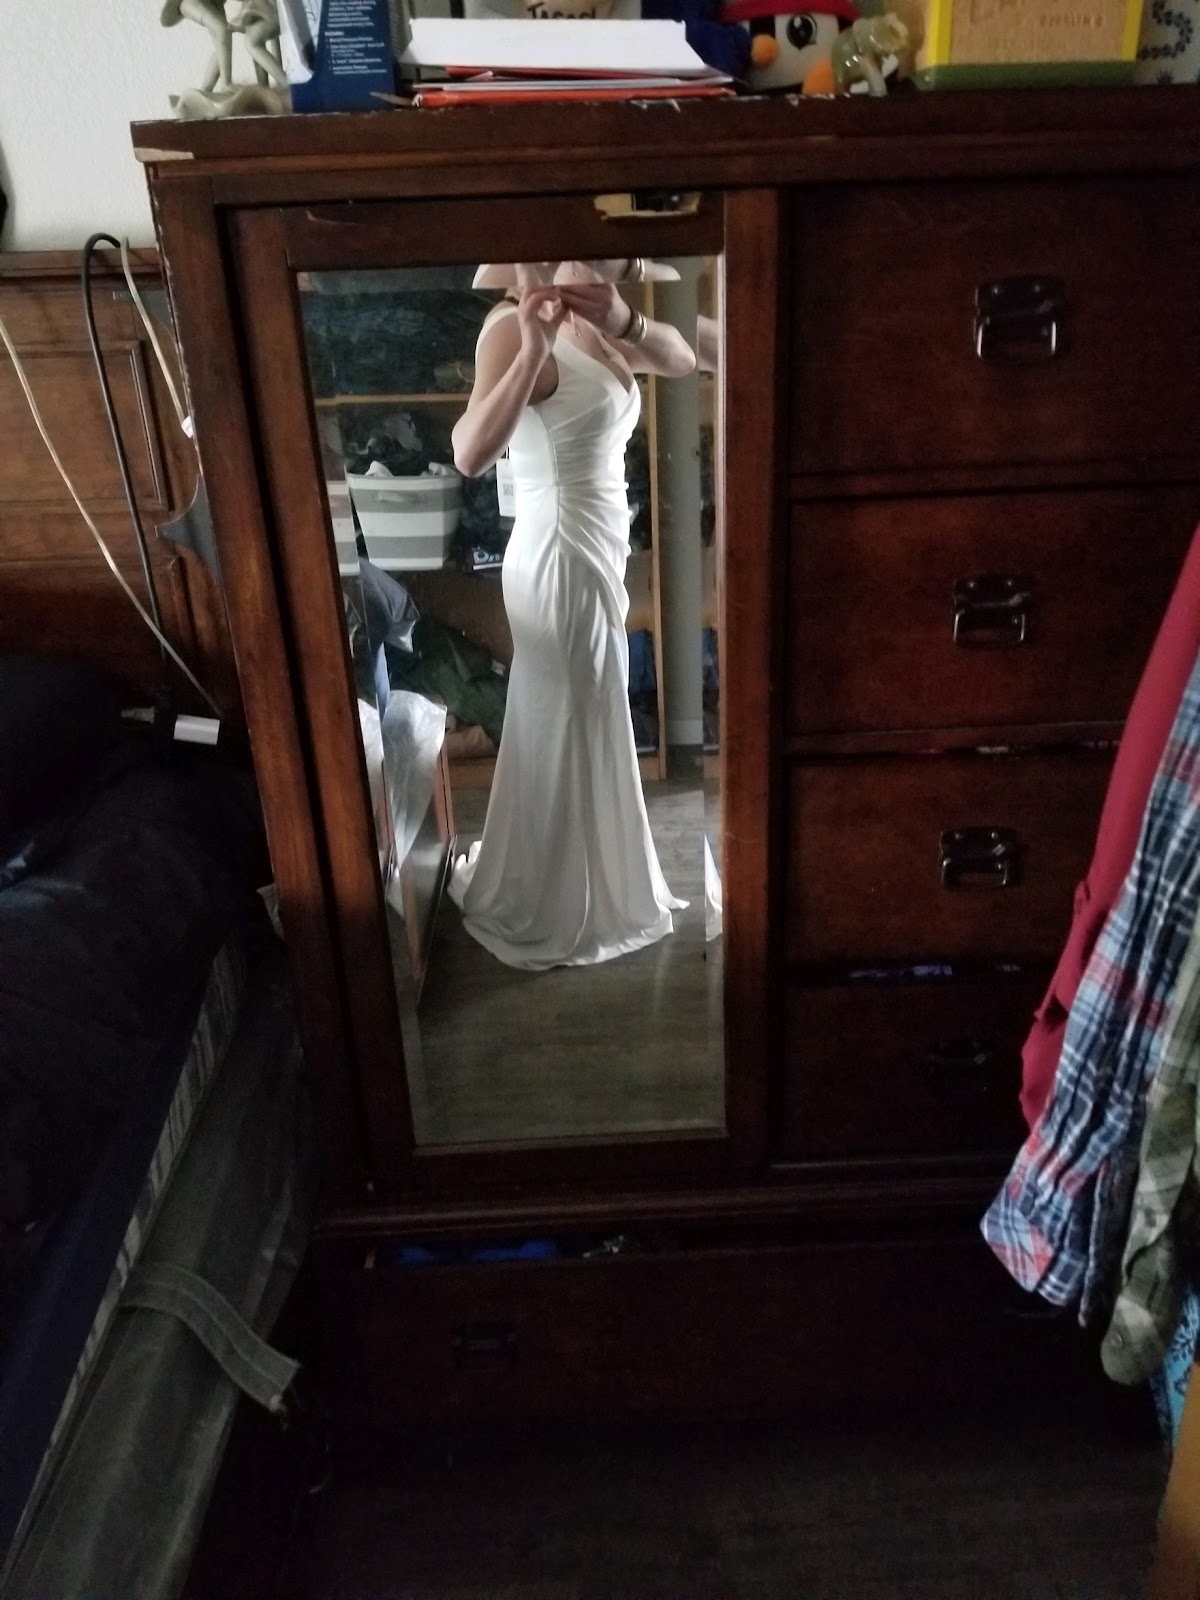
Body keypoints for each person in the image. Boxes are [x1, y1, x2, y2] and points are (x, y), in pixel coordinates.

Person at [448, 258, 697, 971]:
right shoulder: (509, 327)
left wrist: (625, 318)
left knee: (580, 714)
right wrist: (532, 350)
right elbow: (469, 452)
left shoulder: (598, 319)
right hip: (557, 552)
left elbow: (684, 358)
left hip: (596, 547)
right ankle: (561, 902)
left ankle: (574, 881)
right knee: (570, 716)